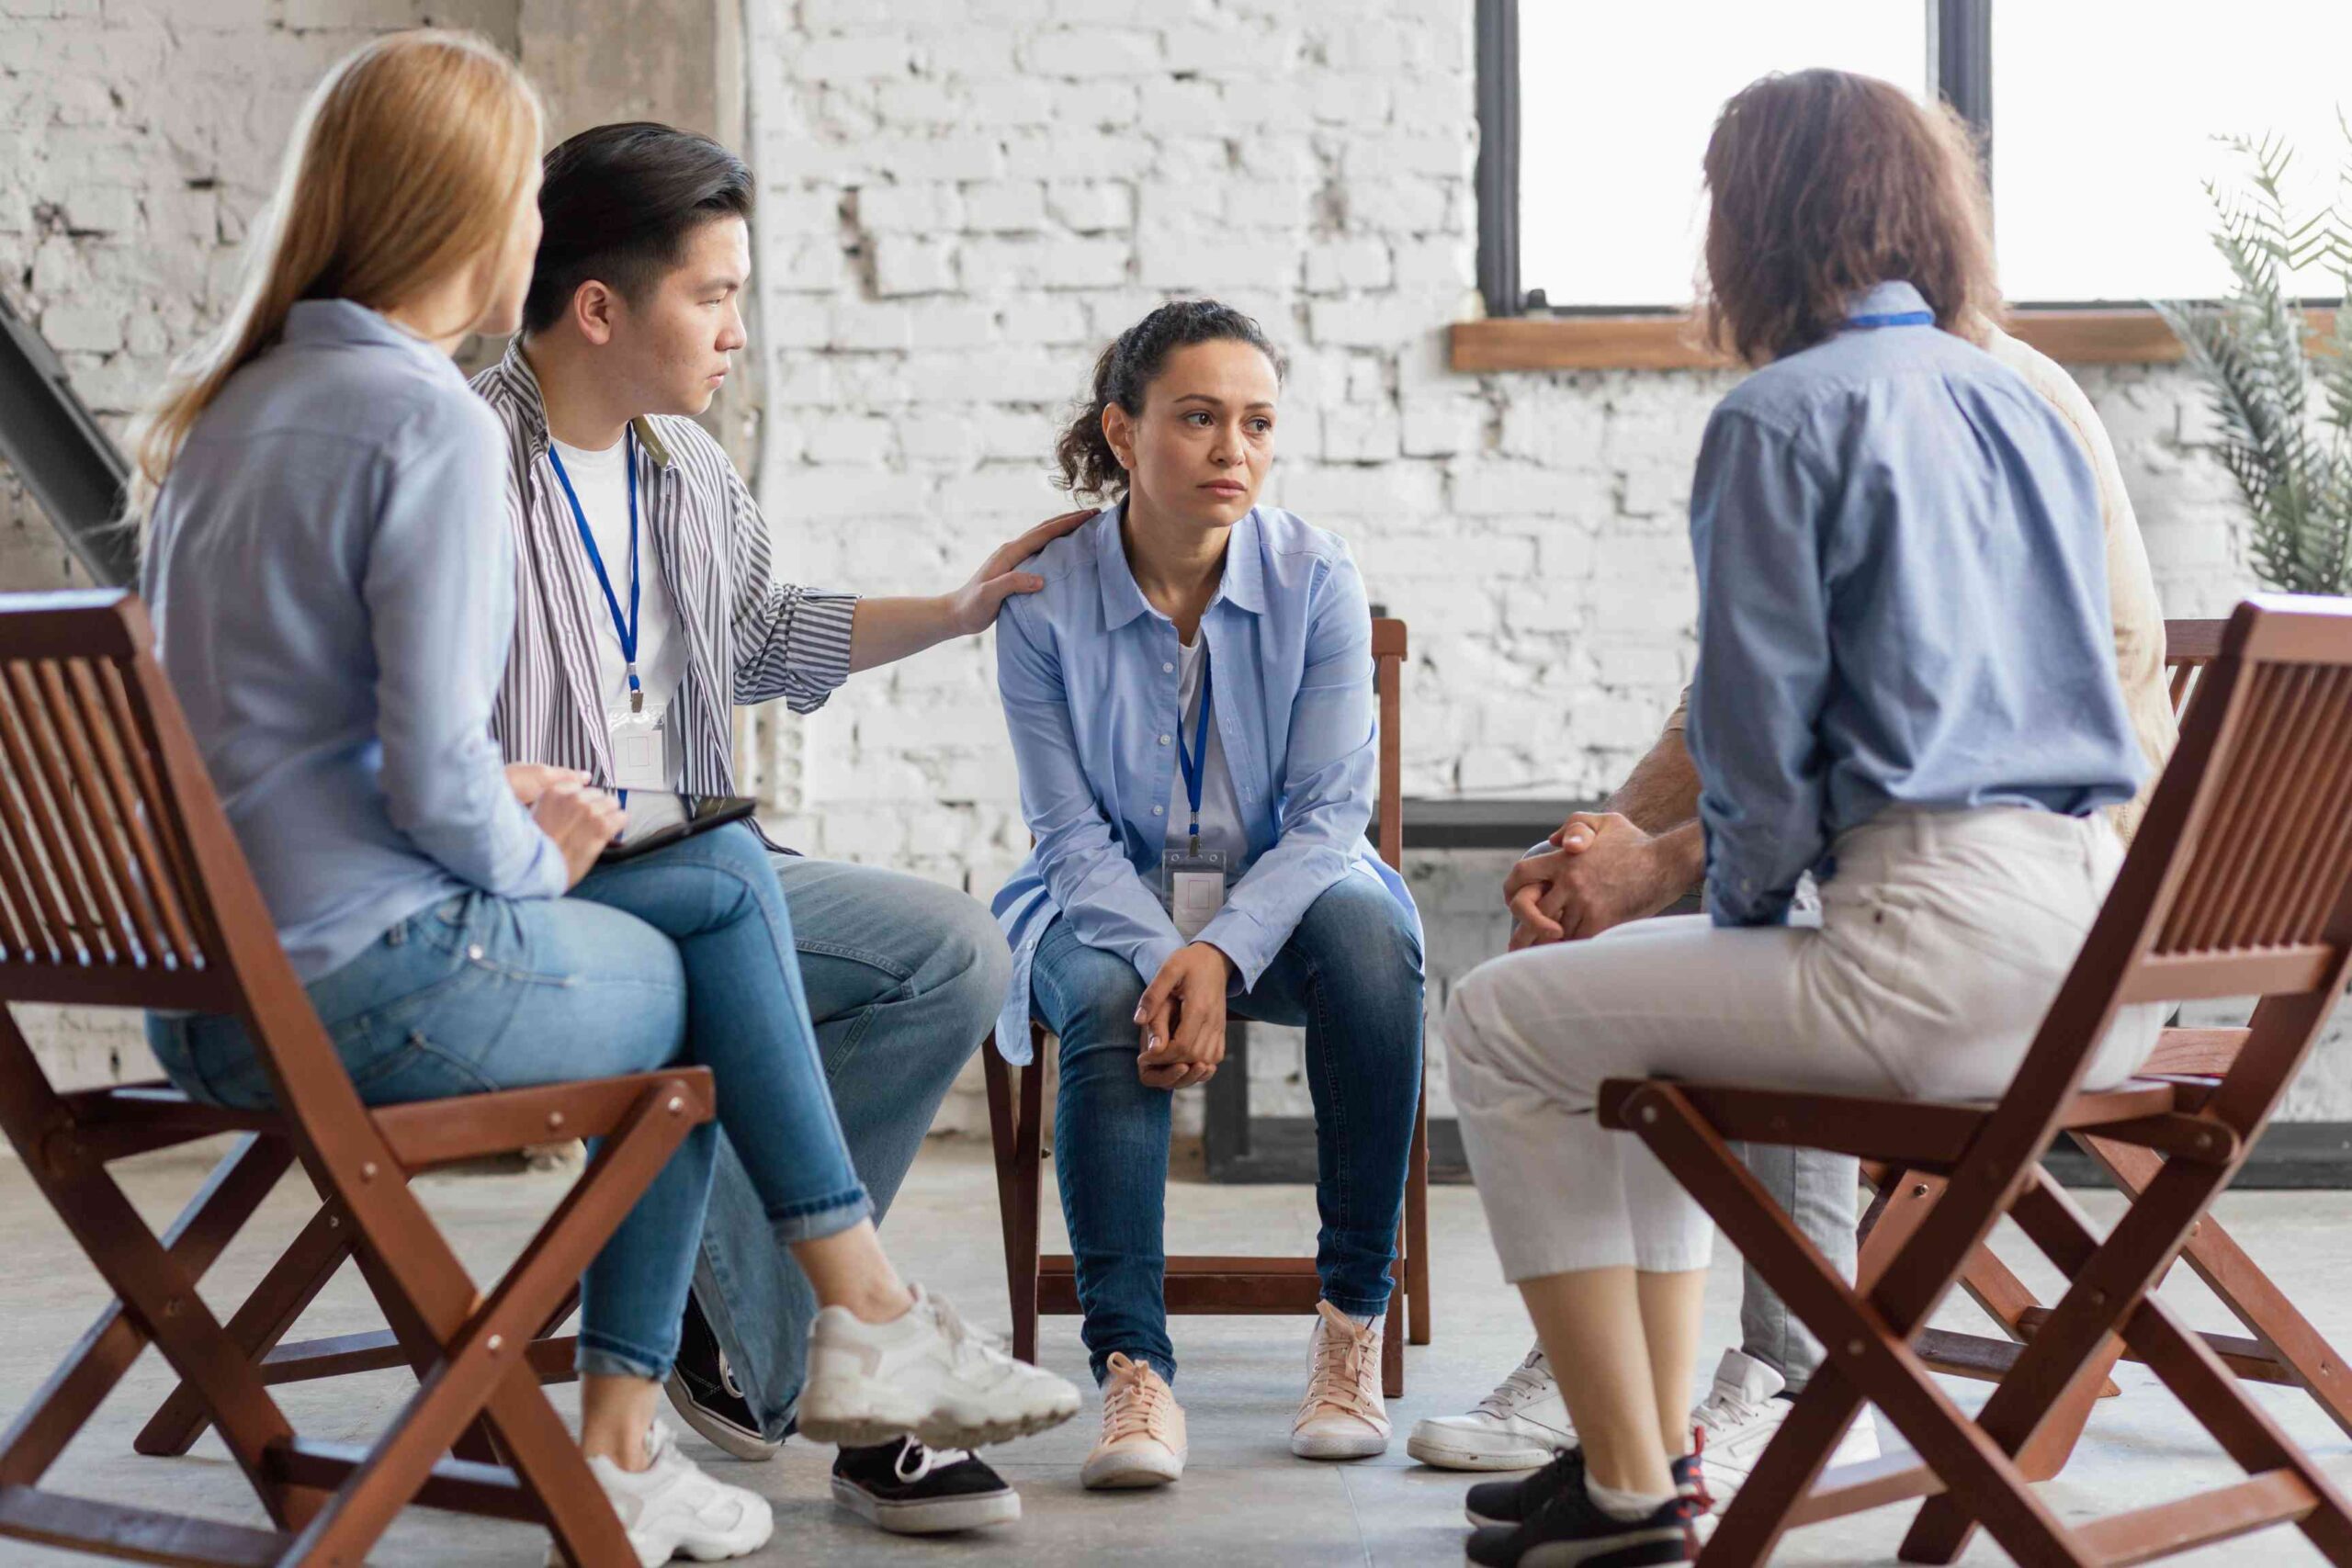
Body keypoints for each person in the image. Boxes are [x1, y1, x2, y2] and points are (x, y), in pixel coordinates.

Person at [131, 32, 1076, 1568]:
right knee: (711, 929)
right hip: (394, 962)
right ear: (483, 228)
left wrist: (961, 606)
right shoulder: (433, 422)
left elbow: (311, 735)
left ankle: (766, 1367)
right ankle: (784, 1361)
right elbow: (439, 769)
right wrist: (522, 837)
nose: (529, 228)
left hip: (213, 986)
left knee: (802, 912)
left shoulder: (223, 418)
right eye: (519, 199)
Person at [1439, 69, 2165, 1566]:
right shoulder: (2013, 398)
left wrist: (1733, 909)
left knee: (1505, 1021)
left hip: (1926, 971)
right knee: (1612, 1018)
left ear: (1754, 221)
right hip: (2096, 969)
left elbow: (1761, 756)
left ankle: (1631, 1486)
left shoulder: (1778, 417)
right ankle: (1630, 1450)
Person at [469, 120, 1086, 1534]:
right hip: (547, 887)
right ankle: (844, 1364)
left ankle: (762, 1337)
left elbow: (759, 635)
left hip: (704, 870)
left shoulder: (685, 470)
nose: (740, 330)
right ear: (602, 307)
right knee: (722, 894)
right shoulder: (463, 464)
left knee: (951, 952)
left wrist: (955, 608)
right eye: (715, 295)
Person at [989, 300, 1427, 1489]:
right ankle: (1133, 1370)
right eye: (1197, 419)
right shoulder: (1043, 599)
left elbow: (1332, 815)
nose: (1234, 449)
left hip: (1278, 895)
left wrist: (1221, 953)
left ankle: (1349, 1326)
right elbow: (1067, 835)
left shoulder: (1315, 577)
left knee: (1373, 942)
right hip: (1106, 894)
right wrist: (1168, 952)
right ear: (1122, 434)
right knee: (1097, 988)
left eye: (1257, 422)